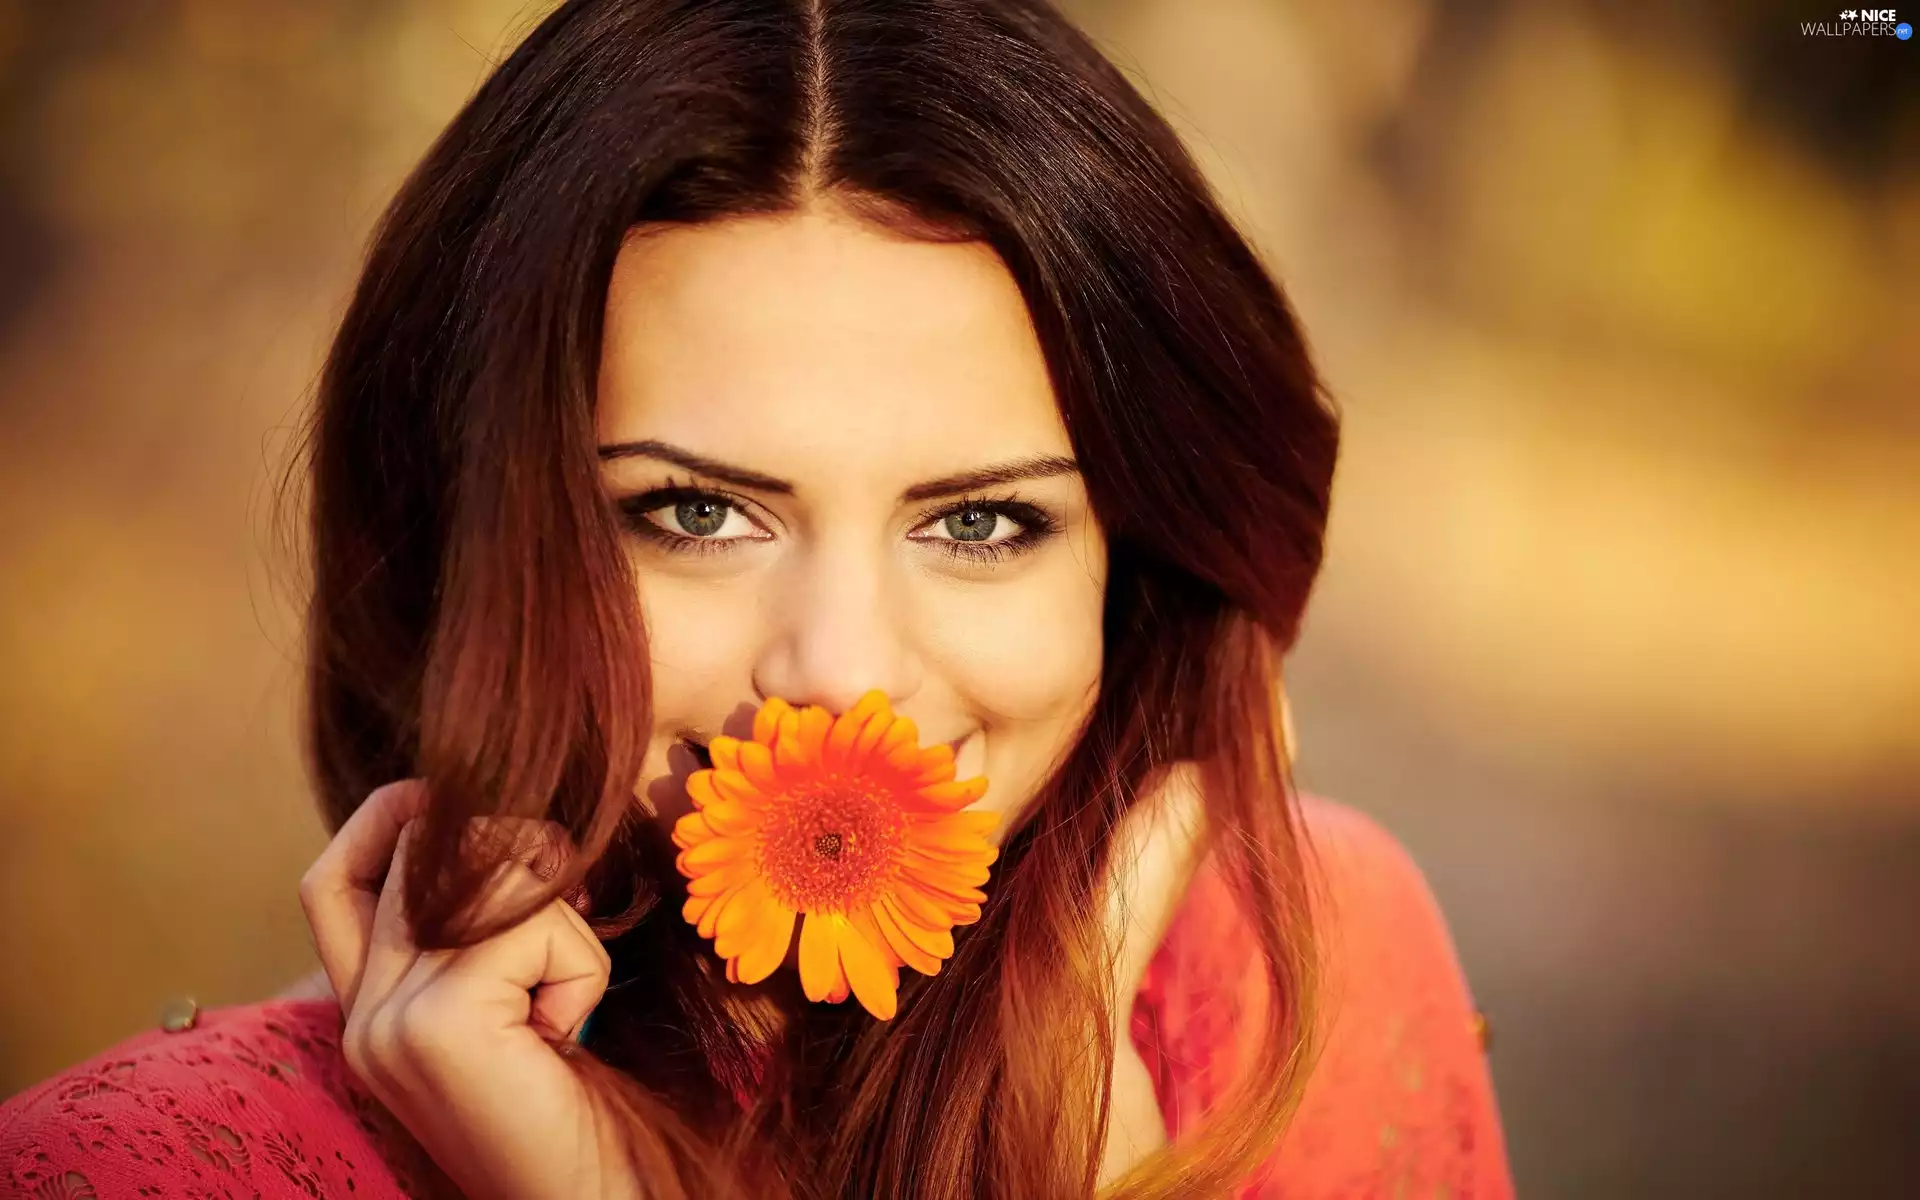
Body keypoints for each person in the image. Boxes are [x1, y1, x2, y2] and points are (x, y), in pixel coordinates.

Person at [0, 0, 1514, 1196]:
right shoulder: (142, 1169)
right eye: (696, 513)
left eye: (982, 521)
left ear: (1141, 564)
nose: (841, 671)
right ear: (480, 541)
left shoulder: (1291, 970)